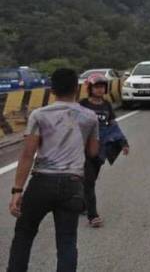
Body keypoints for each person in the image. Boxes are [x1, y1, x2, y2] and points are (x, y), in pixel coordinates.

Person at [7, 68, 99, 272]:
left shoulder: (39, 115)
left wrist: (17, 191)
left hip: (42, 183)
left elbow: (27, 154)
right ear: (77, 88)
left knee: (24, 234)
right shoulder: (90, 116)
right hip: (73, 184)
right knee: (67, 240)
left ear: (52, 90)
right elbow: (93, 151)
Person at [79, 74, 129, 228]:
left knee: (91, 179)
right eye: (96, 87)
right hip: (83, 147)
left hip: (101, 148)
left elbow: (113, 125)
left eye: (102, 87)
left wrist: (124, 142)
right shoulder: (83, 104)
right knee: (88, 182)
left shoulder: (107, 105)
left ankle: (82, 205)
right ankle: (93, 215)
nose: (100, 89)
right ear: (90, 88)